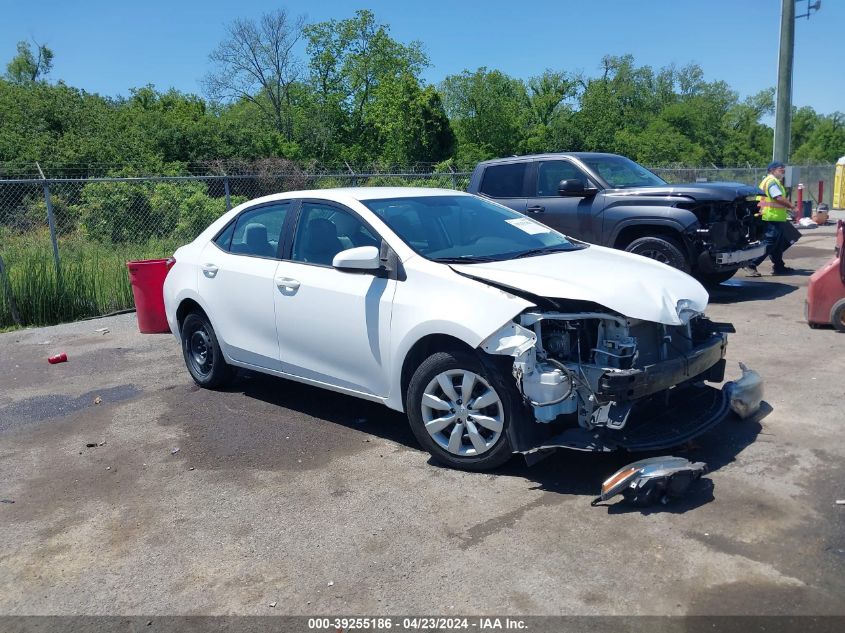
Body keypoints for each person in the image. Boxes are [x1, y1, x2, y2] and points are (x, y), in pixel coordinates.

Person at [744, 161, 796, 277]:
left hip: (774, 216)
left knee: (778, 243)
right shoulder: (772, 181)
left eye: (783, 169)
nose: (783, 171)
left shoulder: (772, 181)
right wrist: (791, 206)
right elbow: (777, 197)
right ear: (772, 170)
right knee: (770, 242)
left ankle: (779, 267)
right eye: (780, 169)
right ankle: (751, 264)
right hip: (771, 216)